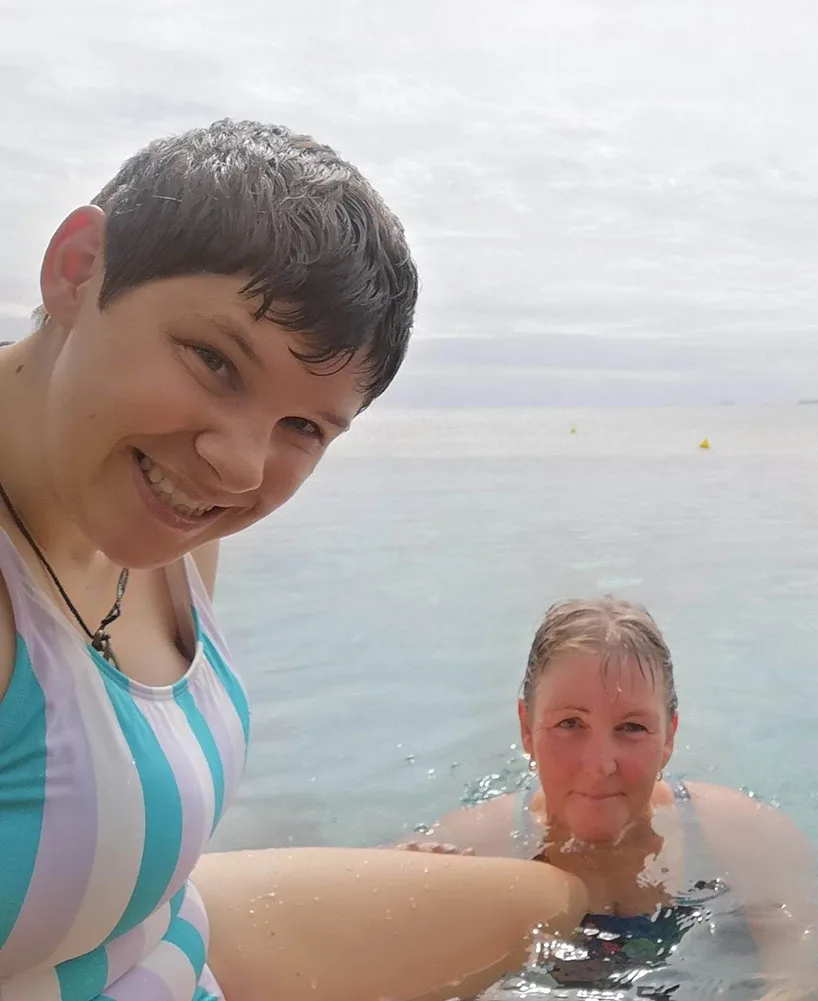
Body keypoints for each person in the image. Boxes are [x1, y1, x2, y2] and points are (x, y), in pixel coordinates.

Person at [0, 119, 585, 1001]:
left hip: (168, 937)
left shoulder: (167, 527)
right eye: (213, 359)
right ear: (78, 269)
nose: (239, 465)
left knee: (570, 901)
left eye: (303, 427)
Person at [411, 597, 818, 998]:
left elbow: (804, 981)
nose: (600, 764)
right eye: (570, 723)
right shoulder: (469, 853)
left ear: (668, 736)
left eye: (631, 728)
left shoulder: (746, 838)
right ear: (526, 727)